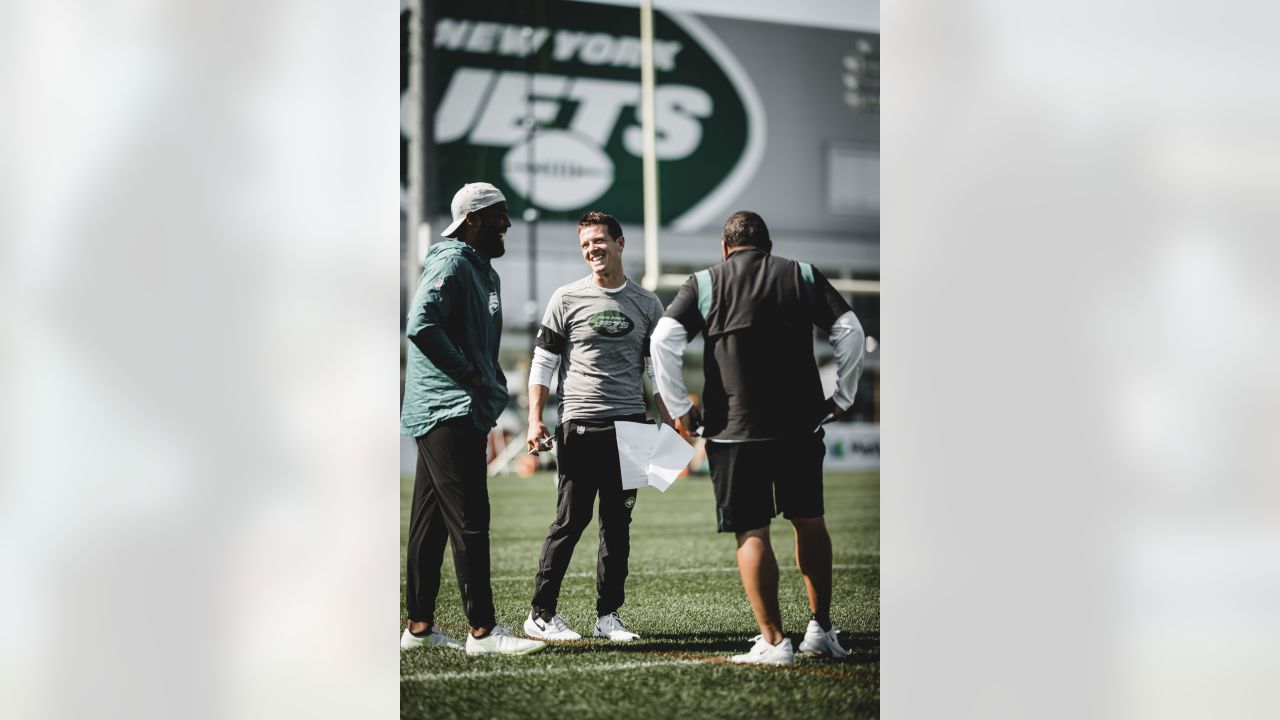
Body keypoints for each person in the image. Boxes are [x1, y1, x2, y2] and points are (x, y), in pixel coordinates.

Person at [650, 211, 865, 666]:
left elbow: (665, 338)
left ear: (726, 249)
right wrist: (843, 395)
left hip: (734, 429)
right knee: (809, 520)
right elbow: (850, 330)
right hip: (800, 425)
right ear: (767, 246)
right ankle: (821, 629)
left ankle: (773, 641)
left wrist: (679, 408)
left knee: (752, 529)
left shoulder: (706, 281)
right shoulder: (801, 273)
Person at [400, 182, 545, 656]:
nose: (507, 223)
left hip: (457, 407)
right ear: (474, 220)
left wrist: (486, 378)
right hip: (448, 408)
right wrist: (469, 374)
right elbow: (420, 323)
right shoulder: (452, 261)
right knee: (470, 519)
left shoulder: (483, 271)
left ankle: (419, 627)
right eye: (500, 215)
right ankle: (482, 632)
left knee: (431, 525)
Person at [523, 211, 671, 642]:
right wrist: (535, 417)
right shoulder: (566, 298)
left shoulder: (648, 304)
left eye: (599, 241)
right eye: (586, 244)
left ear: (620, 242)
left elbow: (656, 371)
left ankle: (608, 616)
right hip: (580, 425)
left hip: (633, 426)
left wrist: (670, 418)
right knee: (570, 522)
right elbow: (543, 363)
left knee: (618, 527)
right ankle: (541, 614)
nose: (592, 250)